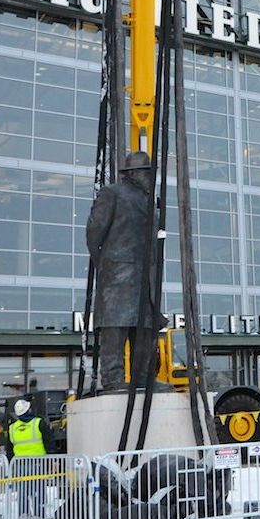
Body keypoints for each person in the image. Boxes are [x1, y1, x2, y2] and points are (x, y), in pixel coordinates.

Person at [85, 151, 157, 390]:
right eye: (147, 172)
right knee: (115, 327)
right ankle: (113, 378)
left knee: (144, 329)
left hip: (144, 276)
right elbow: (94, 232)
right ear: (134, 174)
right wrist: (106, 264)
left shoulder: (150, 200)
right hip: (117, 273)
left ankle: (143, 378)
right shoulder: (112, 193)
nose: (150, 176)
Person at [7, 399, 51, 519]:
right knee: (39, 491)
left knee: (22, 491)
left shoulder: (13, 428)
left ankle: (23, 516)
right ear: (29, 410)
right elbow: (48, 442)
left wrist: (10, 464)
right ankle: (39, 517)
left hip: (20, 464)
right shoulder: (39, 423)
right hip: (38, 463)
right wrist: (54, 458)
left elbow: (9, 449)